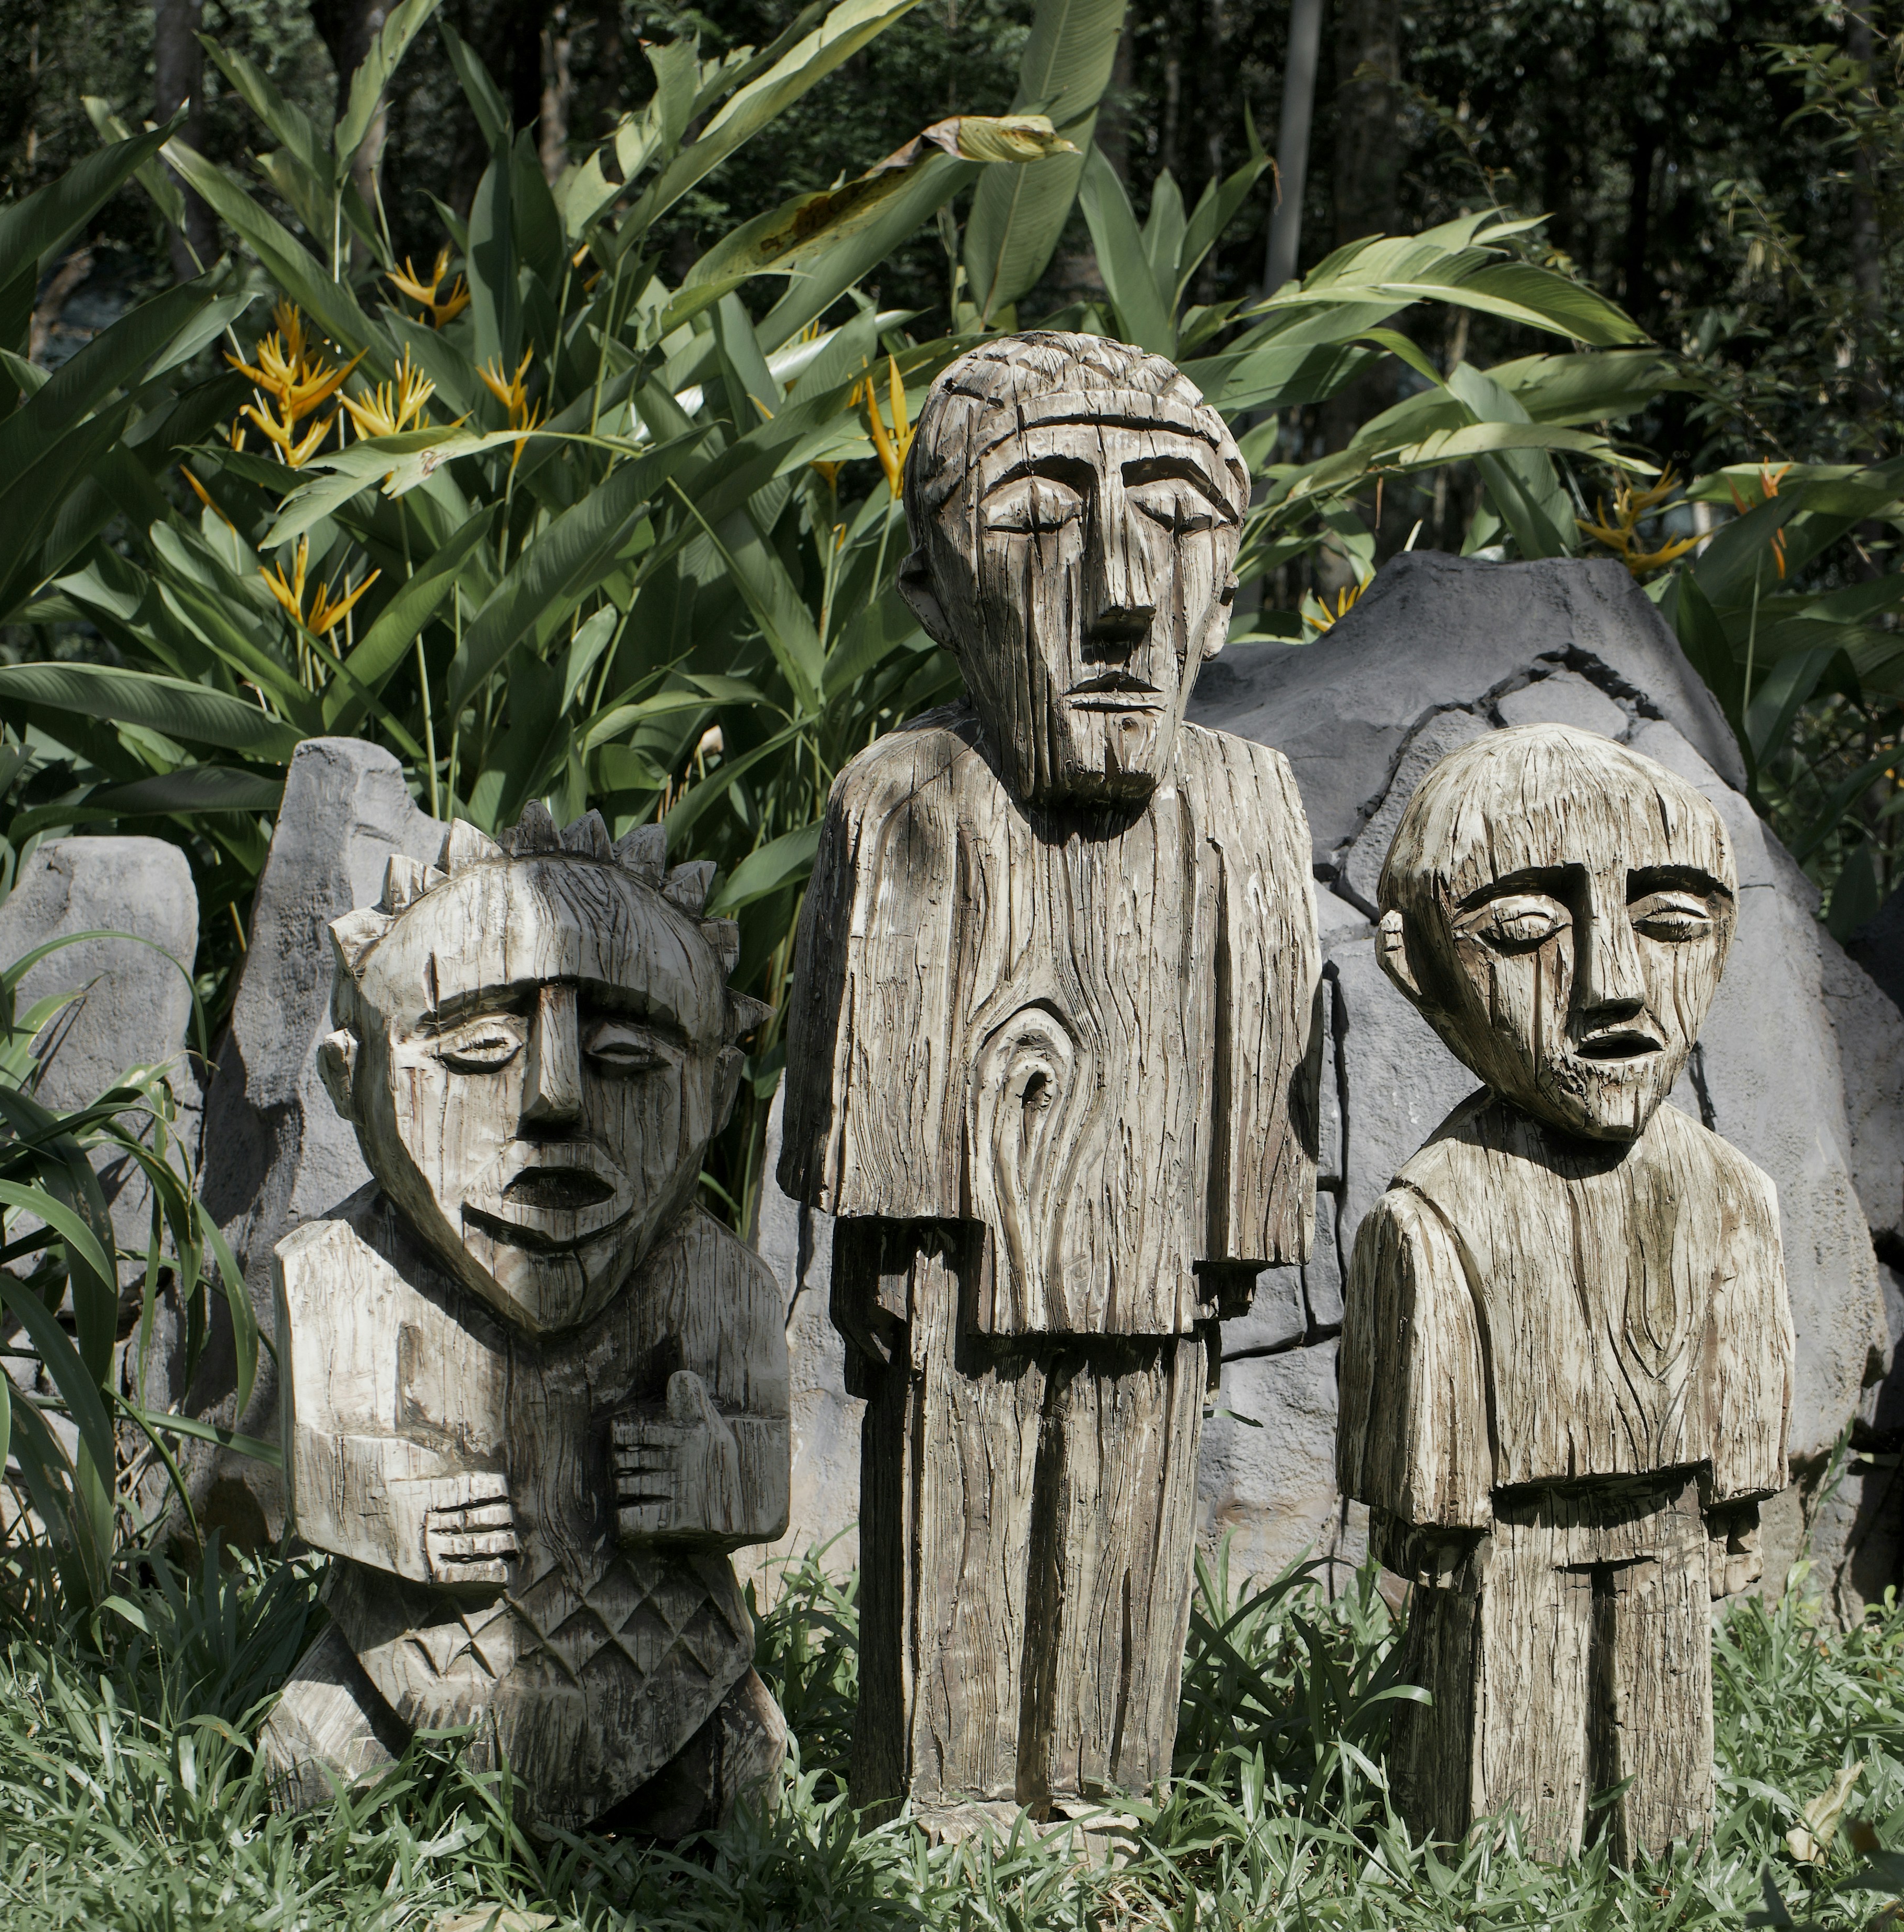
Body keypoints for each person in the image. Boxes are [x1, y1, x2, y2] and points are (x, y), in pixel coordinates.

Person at [777, 332, 1319, 1834]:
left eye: (1175, 515)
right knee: (960, 1508)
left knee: (1128, 1533)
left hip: (1151, 1260)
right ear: (930, 584)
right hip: (960, 1269)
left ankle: (1101, 1791)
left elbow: (1267, 1060)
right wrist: (878, 1259)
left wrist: (1236, 1235)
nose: (1123, 584)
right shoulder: (905, 797)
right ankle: (945, 1794)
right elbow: (861, 1083)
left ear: (1227, 582)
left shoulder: (1247, 803)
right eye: (1035, 514)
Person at [261, 803, 790, 1839]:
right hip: (405, 1655)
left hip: (667, 1670)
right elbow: (310, 1473)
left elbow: (761, 1479)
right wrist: (388, 1505)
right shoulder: (339, 1272)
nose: (554, 1098)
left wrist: (714, 1471)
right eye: (479, 1051)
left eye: (628, 1058)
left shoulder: (713, 1276)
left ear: (719, 1089)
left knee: (746, 1776)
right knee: (302, 1761)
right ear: (348, 1078)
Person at [1336, 724, 1791, 1862]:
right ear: (1419, 963)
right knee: (1507, 1737)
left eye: (1672, 921)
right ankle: (1503, 1865)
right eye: (1528, 930)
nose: (1614, 984)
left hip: (1668, 1517)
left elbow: (1747, 1355)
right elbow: (1426, 1370)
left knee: (1666, 1736)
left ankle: (1665, 1859)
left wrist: (1738, 1488)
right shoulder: (1434, 1205)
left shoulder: (1728, 1187)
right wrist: (1426, 1506)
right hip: (1512, 1536)